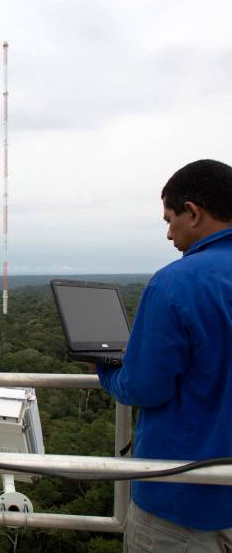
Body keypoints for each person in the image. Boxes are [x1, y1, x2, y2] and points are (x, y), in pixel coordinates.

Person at [98, 159, 232, 551]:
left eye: (169, 219)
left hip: (182, 502)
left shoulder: (175, 283)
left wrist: (104, 372)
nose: (169, 233)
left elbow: (144, 387)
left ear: (193, 212)